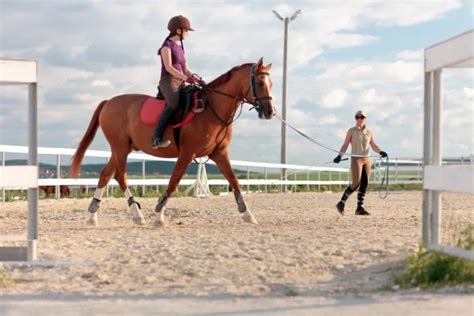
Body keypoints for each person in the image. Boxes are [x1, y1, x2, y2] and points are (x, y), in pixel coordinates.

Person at [151, 15, 197, 148]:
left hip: (180, 81)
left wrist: (197, 79)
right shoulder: (166, 46)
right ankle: (157, 137)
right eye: (186, 30)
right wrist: (185, 78)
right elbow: (169, 67)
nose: (188, 33)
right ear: (178, 30)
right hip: (168, 80)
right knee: (173, 103)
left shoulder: (181, 47)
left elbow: (186, 69)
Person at [333, 110, 387, 215]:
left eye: (361, 117)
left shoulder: (369, 132)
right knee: (356, 183)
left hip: (366, 159)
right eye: (357, 117)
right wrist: (339, 156)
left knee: (365, 183)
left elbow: (374, 145)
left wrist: (381, 151)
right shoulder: (351, 131)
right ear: (355, 119)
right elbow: (345, 145)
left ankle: (359, 208)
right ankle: (341, 203)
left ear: (365, 118)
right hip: (356, 158)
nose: (359, 119)